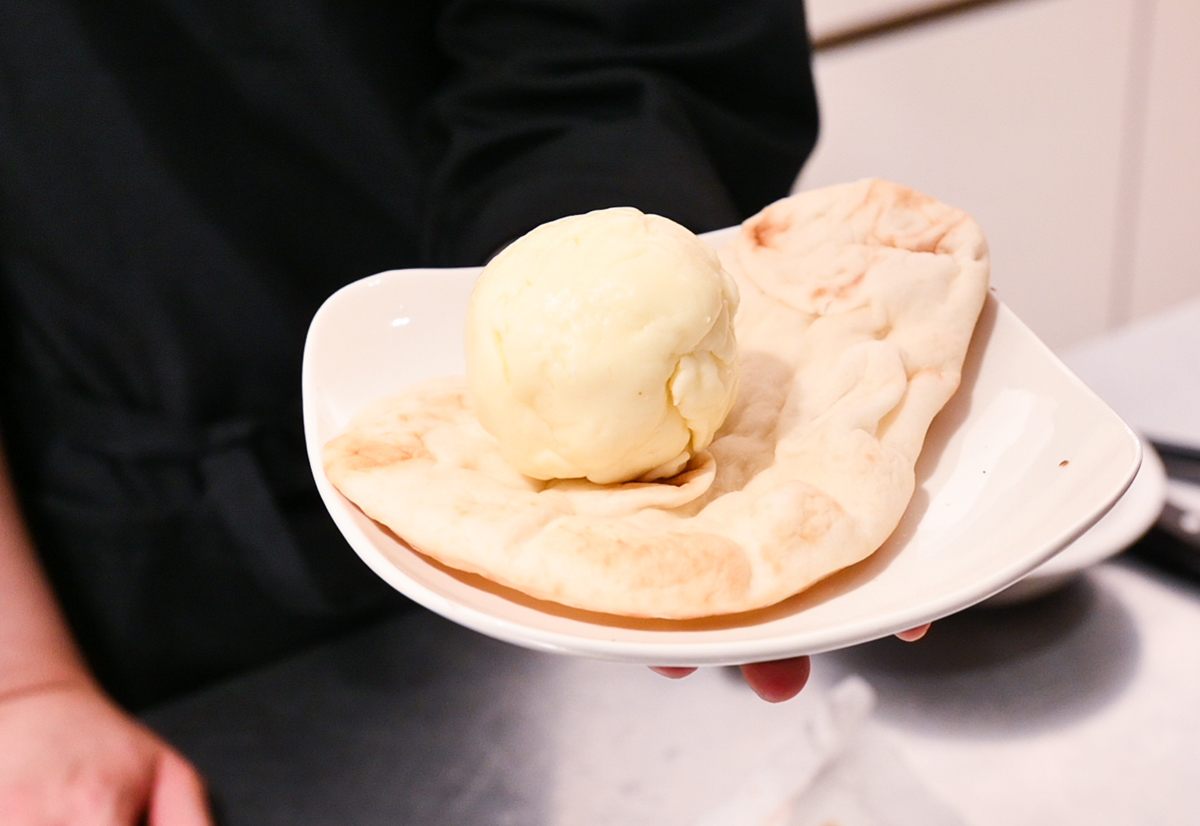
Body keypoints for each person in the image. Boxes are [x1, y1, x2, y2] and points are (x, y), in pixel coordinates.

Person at [0, 1, 926, 822]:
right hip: (105, 568)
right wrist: (22, 683)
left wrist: (591, 298)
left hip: (499, 405)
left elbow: (612, 37)